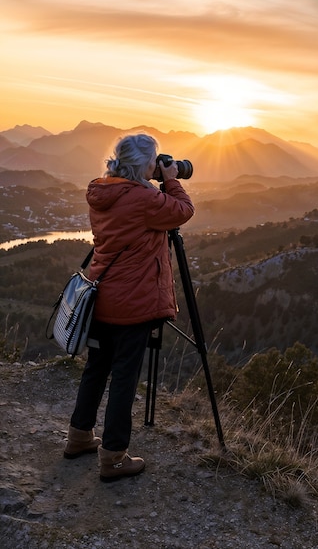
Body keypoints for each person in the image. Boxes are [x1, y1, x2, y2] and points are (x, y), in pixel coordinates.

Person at [63, 132, 195, 482]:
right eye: (153, 161)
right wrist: (170, 181)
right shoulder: (143, 199)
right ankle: (114, 457)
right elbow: (183, 211)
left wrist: (157, 179)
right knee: (124, 377)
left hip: (101, 295)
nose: (157, 165)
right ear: (141, 166)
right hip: (134, 302)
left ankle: (78, 437)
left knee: (97, 368)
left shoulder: (102, 191)